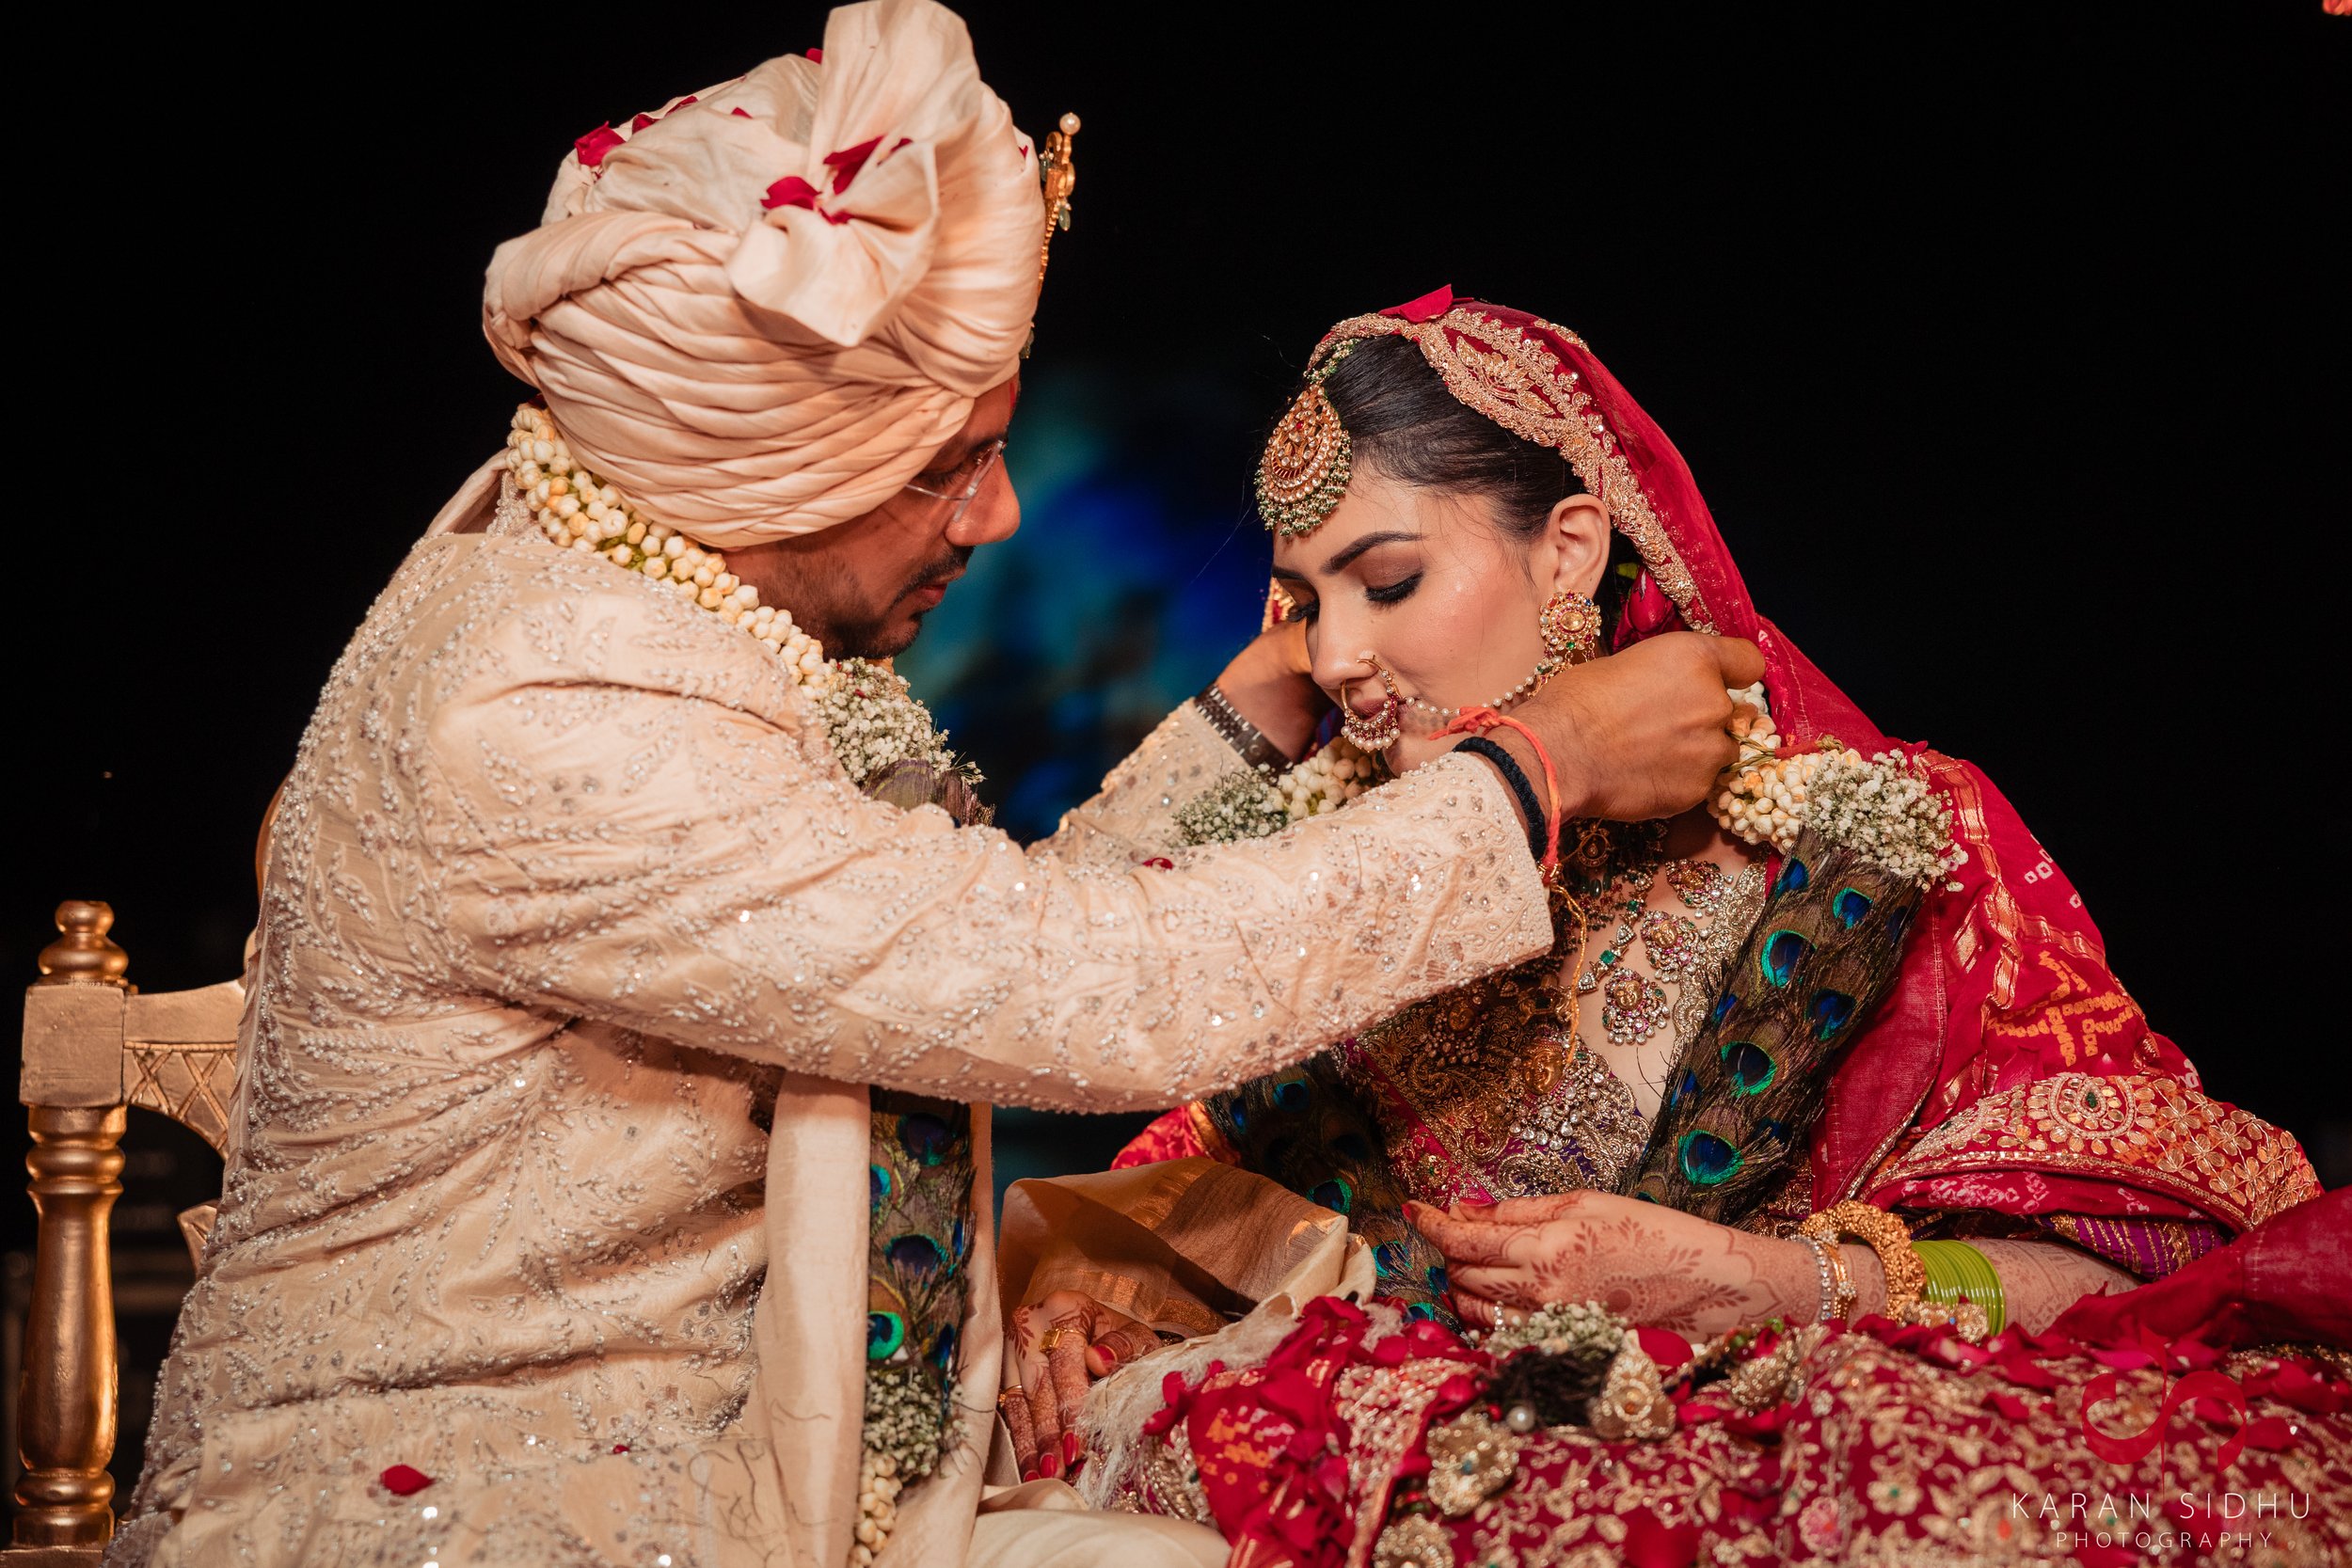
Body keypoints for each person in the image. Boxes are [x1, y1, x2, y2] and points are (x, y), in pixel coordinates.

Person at [101, 13, 1761, 1568]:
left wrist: (1253, 718)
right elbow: (1065, 984)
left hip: (729, 1445)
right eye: (944, 468)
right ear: (775, 477)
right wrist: (1540, 767)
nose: (1000, 517)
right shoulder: (551, 713)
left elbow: (931, 927)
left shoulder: (618, 556)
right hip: (478, 1493)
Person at [998, 290, 2350, 1565]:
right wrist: (1085, 1301)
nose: (1339, 653)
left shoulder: (1871, 835)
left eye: (1390, 580)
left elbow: (2156, 1254)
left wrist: (1768, 1281)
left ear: (1572, 547)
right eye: (1305, 603)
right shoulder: (1352, 877)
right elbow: (1164, 1148)